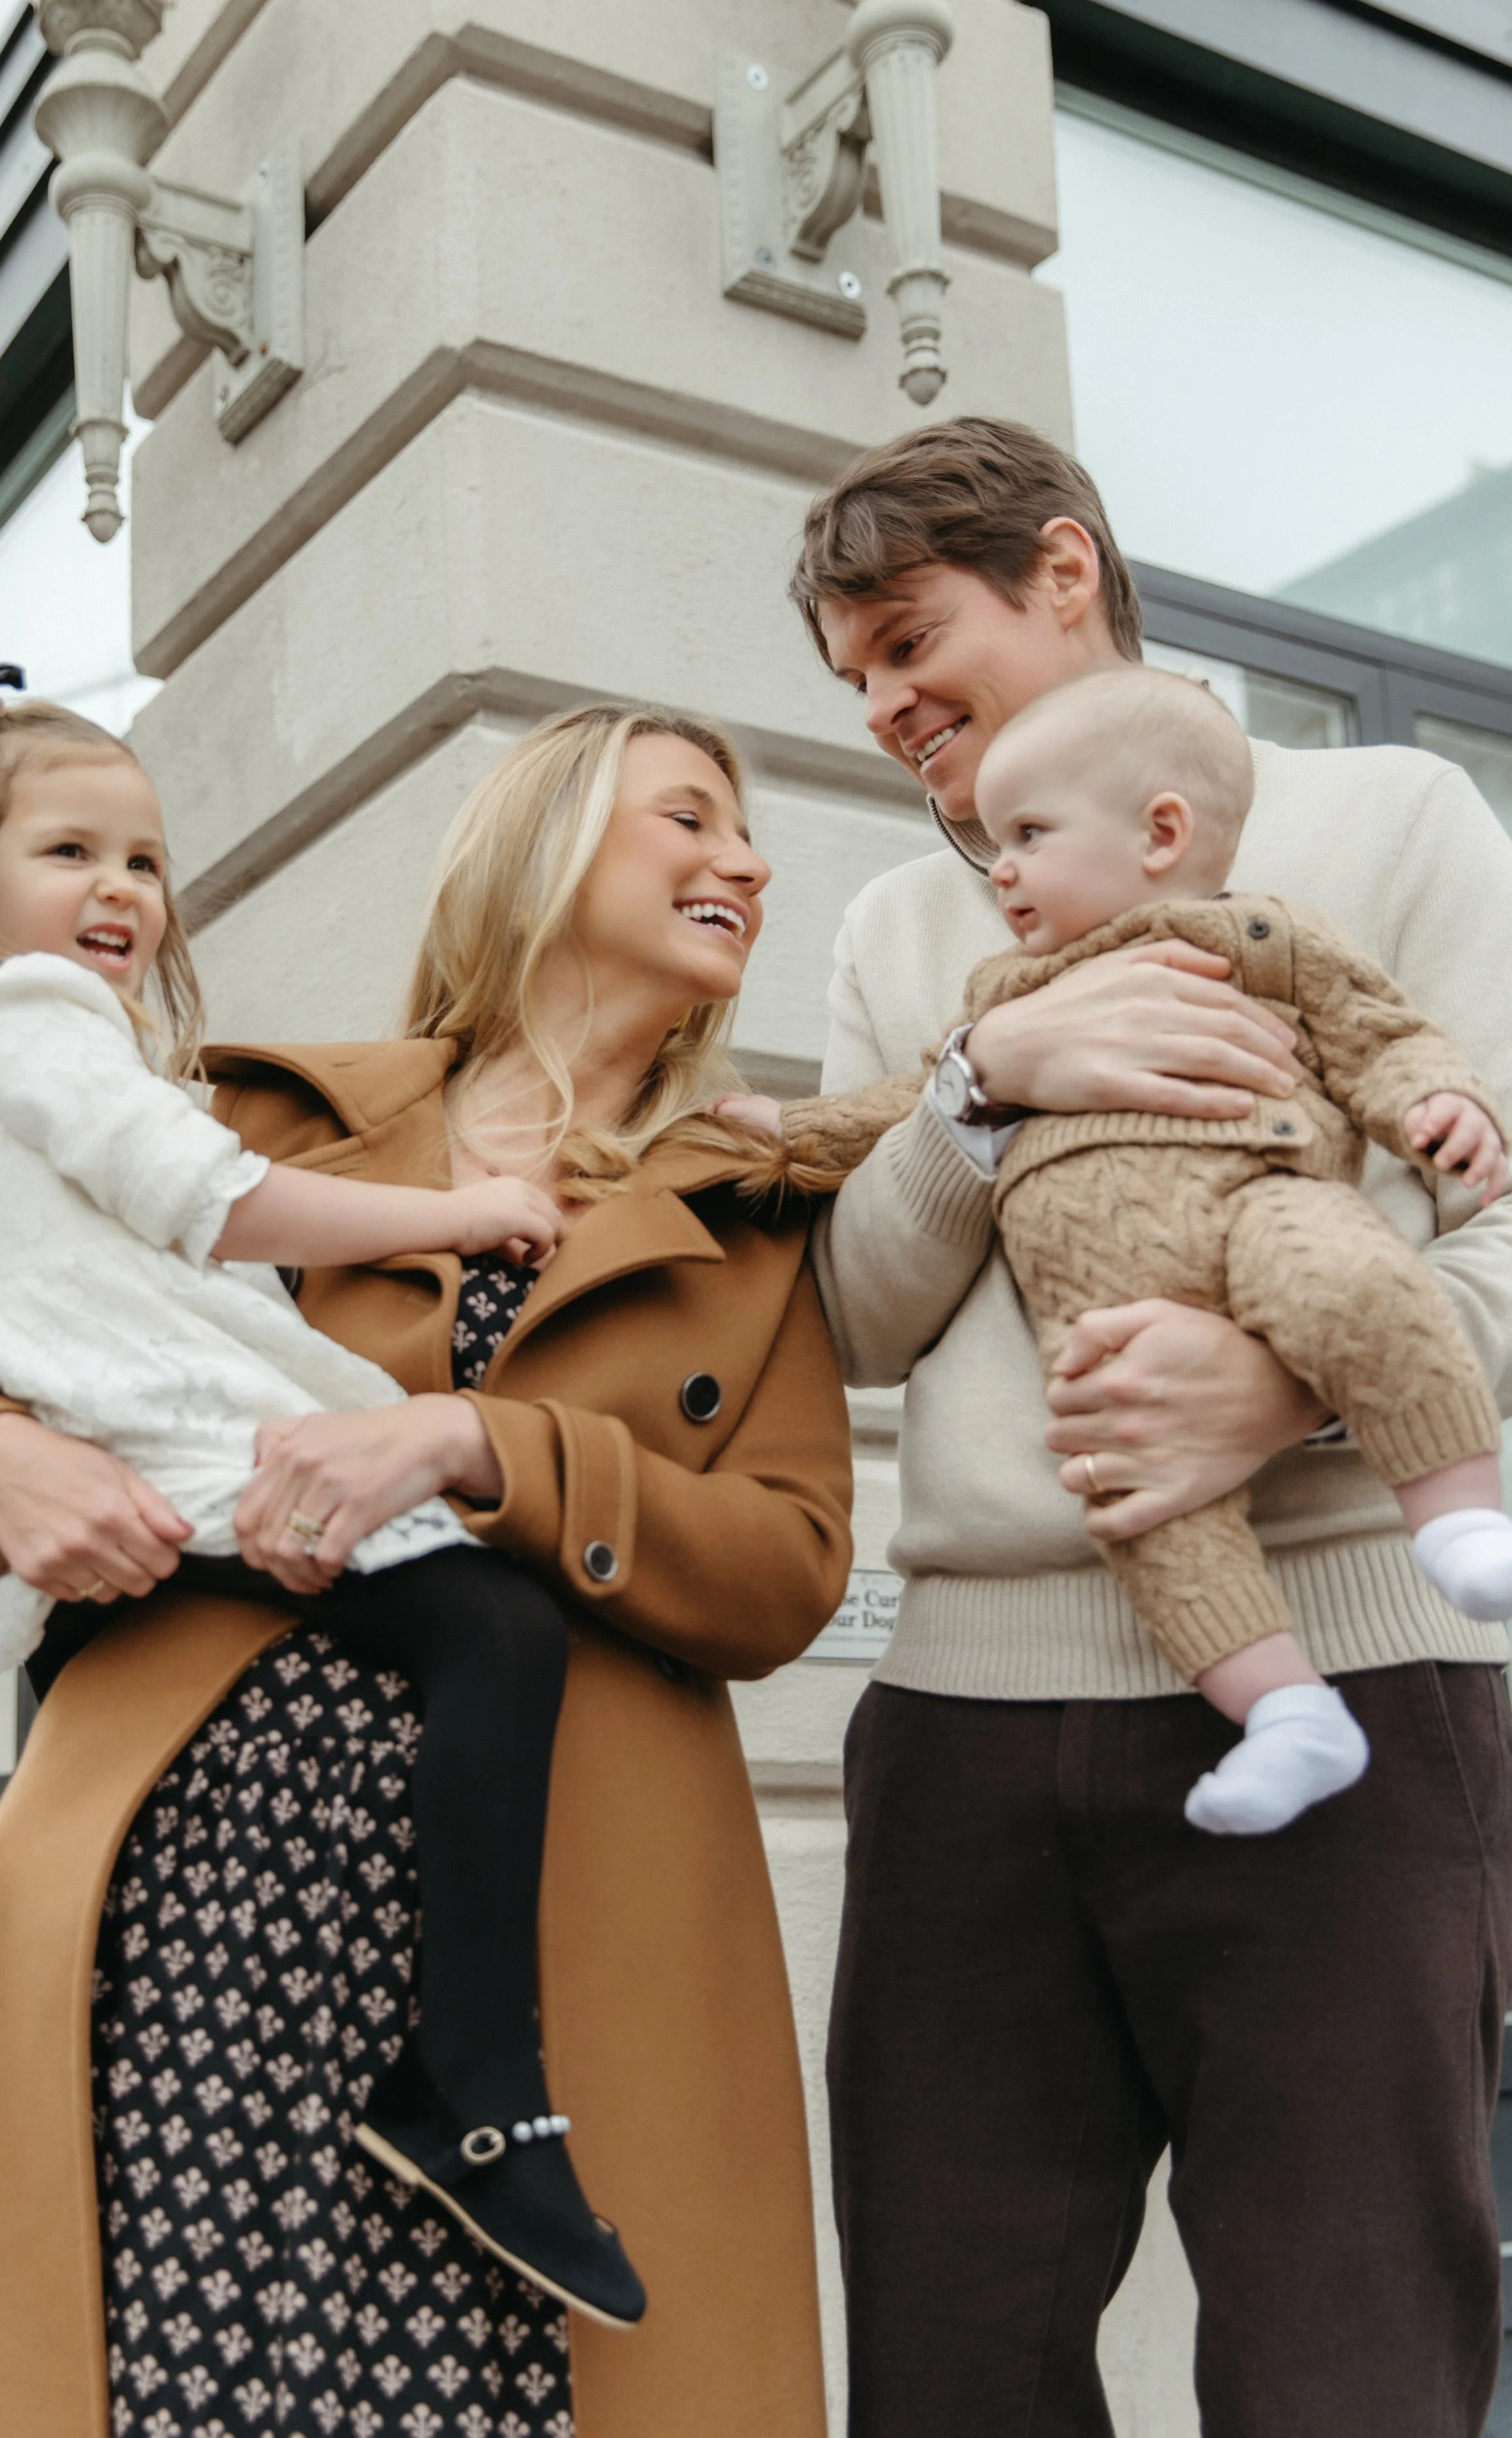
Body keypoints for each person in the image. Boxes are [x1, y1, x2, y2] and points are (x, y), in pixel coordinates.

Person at [0, 697, 853, 2438]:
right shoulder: (265, 1115)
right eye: (690, 818)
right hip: (200, 1868)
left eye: (747, 834)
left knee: (491, 2395)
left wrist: (487, 1446)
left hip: (542, 1920)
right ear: (546, 846)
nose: (747, 859)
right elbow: (24, 1292)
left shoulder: (751, 1215)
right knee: (190, 2373)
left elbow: (786, 1568)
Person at [791, 418, 1512, 2436]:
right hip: (964, 1713)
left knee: (1343, 2356)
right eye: (847, 676)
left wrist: (1288, 1386)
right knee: (950, 2359)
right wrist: (983, 1080)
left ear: (1061, 571)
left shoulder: (1391, 819)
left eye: (906, 637)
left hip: (1359, 1674)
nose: (880, 705)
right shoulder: (898, 941)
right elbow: (854, 1311)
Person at [727, 660, 1512, 1838]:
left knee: (1353, 1285)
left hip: (1263, 1209)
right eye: (850, 669)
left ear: (1161, 834)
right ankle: (1288, 1713)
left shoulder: (1267, 924)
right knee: (1150, 1517)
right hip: (1094, 1332)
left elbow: (1378, 1035)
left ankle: (1459, 1521)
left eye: (908, 637)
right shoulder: (992, 985)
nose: (1003, 867)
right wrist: (803, 1130)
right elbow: (896, 1121)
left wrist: (1440, 1108)